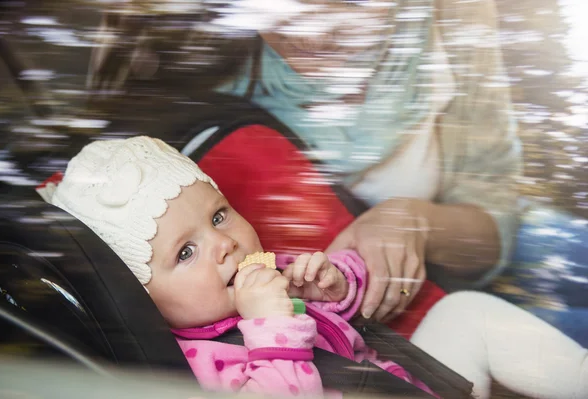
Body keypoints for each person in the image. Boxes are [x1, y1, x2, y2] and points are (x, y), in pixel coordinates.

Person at [49, 136, 586, 399]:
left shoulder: (262, 276)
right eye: (184, 253)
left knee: (467, 314)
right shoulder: (194, 366)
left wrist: (333, 284)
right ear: (138, 298)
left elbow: (345, 313)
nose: (224, 244)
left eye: (218, 215)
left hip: (409, 383)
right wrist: (271, 328)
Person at [87, 0, 523, 323]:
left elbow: (497, 212)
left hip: (456, 275)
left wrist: (419, 225)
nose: (310, 34)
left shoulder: (455, 23)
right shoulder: (181, 52)